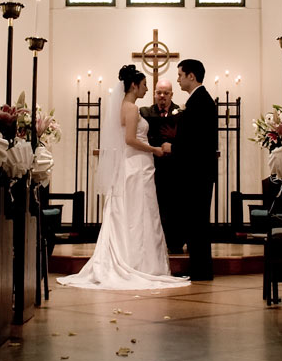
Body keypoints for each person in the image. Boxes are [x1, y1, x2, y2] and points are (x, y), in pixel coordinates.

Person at [57, 65, 188, 290]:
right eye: (144, 85)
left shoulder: (123, 106)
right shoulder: (132, 109)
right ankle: (139, 262)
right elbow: (129, 140)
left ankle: (132, 257)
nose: (147, 89)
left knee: (132, 212)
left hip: (133, 164)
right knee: (138, 213)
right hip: (136, 164)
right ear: (134, 85)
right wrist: (154, 149)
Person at [162, 59, 218, 281]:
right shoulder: (198, 100)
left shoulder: (200, 102)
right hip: (198, 172)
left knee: (198, 221)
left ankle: (202, 271)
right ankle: (199, 268)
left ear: (191, 76)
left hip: (198, 173)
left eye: (180, 75)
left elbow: (197, 142)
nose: (178, 79)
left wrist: (172, 147)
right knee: (196, 221)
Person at [140, 78, 183, 254]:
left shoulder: (180, 113)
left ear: (172, 94)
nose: (162, 96)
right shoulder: (145, 112)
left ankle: (174, 242)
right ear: (154, 94)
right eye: (159, 92)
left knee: (174, 205)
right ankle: (152, 243)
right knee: (153, 203)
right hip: (152, 165)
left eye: (166, 93)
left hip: (174, 167)